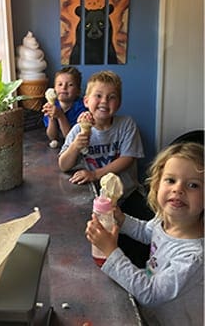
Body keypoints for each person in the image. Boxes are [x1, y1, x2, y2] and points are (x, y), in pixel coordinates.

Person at [85, 142, 203, 326]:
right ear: (157, 184)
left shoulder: (193, 257)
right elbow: (146, 232)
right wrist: (121, 219)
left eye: (193, 185)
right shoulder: (164, 219)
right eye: (171, 180)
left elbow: (152, 293)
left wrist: (111, 252)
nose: (178, 189)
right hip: (153, 313)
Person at [59, 70, 149, 265]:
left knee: (140, 241)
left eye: (111, 97)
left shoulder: (126, 125)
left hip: (127, 194)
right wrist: (75, 145)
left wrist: (94, 174)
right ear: (86, 101)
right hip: (96, 201)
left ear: (119, 103)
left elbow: (128, 158)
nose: (104, 101)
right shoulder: (77, 130)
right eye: (98, 96)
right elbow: (63, 164)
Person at [42, 66, 86, 146]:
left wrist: (60, 116)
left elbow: (72, 138)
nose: (64, 87)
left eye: (70, 85)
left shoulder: (81, 108)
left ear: (78, 91)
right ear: (54, 88)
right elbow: (52, 137)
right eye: (60, 84)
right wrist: (51, 117)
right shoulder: (52, 105)